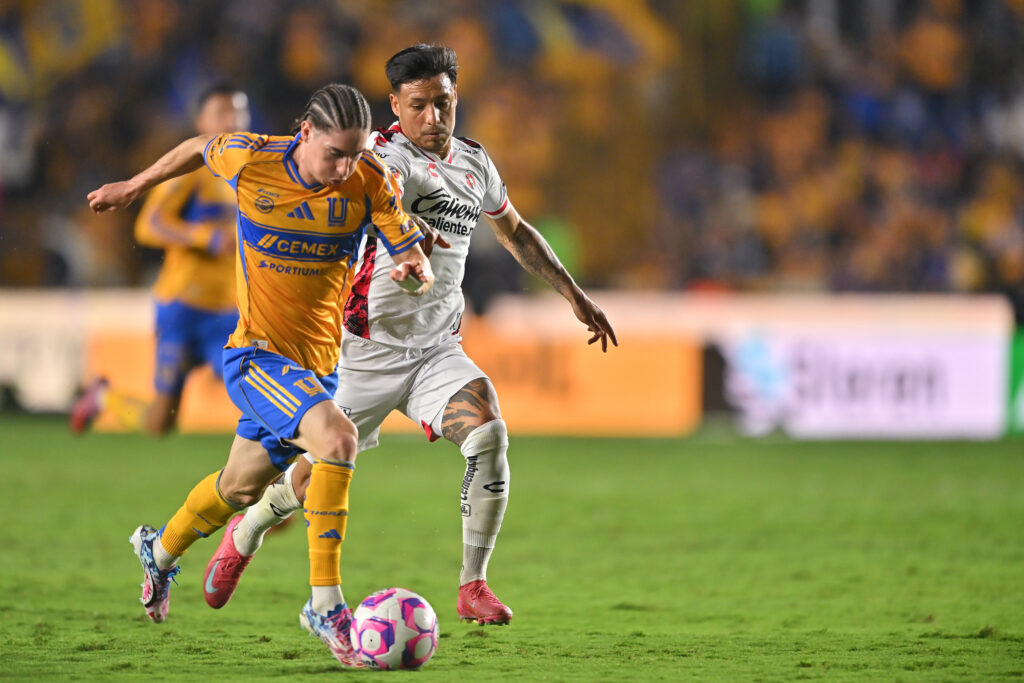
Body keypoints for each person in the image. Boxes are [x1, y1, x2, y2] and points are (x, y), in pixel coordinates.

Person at [202, 44, 617, 627]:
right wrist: (402, 228)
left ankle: (473, 583)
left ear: (455, 100)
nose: (432, 117)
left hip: (437, 349)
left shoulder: (475, 163)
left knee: (489, 433)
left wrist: (574, 294)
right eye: (418, 105)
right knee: (302, 480)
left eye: (442, 103)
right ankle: (245, 534)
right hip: (360, 352)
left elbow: (515, 231)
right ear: (395, 104)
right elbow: (367, 193)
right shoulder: (375, 157)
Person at [86, 83, 434, 667]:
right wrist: (134, 186)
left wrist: (413, 269)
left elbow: (412, 255)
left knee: (238, 488)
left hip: (317, 366)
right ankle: (326, 605)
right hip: (256, 356)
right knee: (338, 440)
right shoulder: (254, 158)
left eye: (354, 153)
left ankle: (159, 550)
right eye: (334, 154)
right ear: (305, 132)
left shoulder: (369, 181)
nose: (344, 166)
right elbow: (200, 145)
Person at [70, 84, 248, 436]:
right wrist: (206, 237)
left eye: (238, 112)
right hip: (183, 305)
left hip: (228, 310)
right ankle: (104, 399)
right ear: (201, 121)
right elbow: (147, 226)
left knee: (249, 391)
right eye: (222, 113)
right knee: (160, 423)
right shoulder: (191, 170)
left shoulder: (248, 171)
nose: (232, 121)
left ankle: (266, 476)